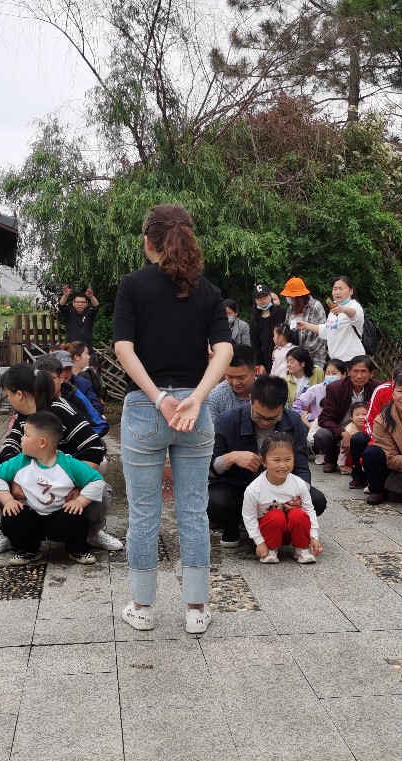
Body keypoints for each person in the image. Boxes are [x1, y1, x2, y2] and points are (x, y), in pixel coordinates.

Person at [113, 203, 234, 635]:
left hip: (146, 408)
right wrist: (197, 398)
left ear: (149, 240)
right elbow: (224, 350)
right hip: (194, 412)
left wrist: (160, 398)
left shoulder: (132, 285)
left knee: (144, 513)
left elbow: (123, 348)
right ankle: (196, 609)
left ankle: (142, 608)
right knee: (193, 511)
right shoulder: (208, 291)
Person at [0, 361, 120, 555]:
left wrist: (77, 485)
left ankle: (93, 531)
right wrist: (14, 481)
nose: (9, 399)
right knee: (0, 477)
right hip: (35, 475)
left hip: (66, 474)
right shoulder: (23, 415)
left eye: (8, 394)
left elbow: (94, 448)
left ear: (19, 394)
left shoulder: (61, 409)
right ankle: (8, 532)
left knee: (101, 490)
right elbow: (9, 447)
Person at [208, 375, 328, 547]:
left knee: (316, 500)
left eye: (273, 418)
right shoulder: (227, 420)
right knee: (214, 502)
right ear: (250, 399)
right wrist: (231, 457)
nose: (265, 422)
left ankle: (278, 524)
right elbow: (210, 470)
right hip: (237, 485)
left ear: (283, 406)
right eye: (259, 416)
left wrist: (298, 495)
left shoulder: (293, 421)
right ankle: (235, 522)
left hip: (280, 487)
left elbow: (301, 467)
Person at [0, 411, 104, 566]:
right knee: (11, 517)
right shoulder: (20, 461)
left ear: (42, 442)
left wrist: (80, 502)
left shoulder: (69, 464)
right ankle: (29, 549)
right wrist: (8, 500)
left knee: (75, 518)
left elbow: (97, 481)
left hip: (61, 515)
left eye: (26, 435)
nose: (21, 439)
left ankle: (76, 549)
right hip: (31, 515)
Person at [242, 433, 322, 565]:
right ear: (264, 461)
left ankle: (301, 548)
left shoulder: (299, 483)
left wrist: (314, 537)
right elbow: (249, 516)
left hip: (291, 530)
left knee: (299, 514)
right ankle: (271, 548)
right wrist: (259, 542)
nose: (283, 465)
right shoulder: (254, 489)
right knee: (275, 515)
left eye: (288, 459)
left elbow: (309, 510)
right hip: (269, 529)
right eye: (277, 460)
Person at [360, 371, 402, 506]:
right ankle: (379, 490)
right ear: (393, 394)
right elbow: (390, 459)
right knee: (371, 453)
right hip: (395, 465)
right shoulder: (382, 420)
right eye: (399, 391)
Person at [314, 355, 380, 472]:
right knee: (322, 434)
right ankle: (331, 459)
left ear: (372, 373)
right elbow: (324, 418)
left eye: (363, 371)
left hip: (366, 428)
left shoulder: (377, 388)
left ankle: (361, 464)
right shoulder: (335, 388)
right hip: (339, 428)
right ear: (348, 372)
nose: (359, 376)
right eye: (355, 371)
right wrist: (343, 433)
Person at [295, 275, 365, 362]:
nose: (337, 292)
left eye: (341, 289)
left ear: (351, 291)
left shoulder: (354, 305)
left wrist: (343, 309)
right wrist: (306, 325)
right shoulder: (334, 308)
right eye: (335, 289)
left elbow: (355, 314)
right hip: (335, 360)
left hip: (352, 359)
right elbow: (327, 329)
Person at [362, 361, 402, 444]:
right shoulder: (381, 391)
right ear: (393, 380)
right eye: (401, 380)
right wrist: (378, 439)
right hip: (382, 438)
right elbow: (370, 421)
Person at [46, 350, 108, 436]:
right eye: (61, 369)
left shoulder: (82, 385)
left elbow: (97, 410)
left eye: (68, 369)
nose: (64, 373)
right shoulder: (43, 390)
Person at [294, 359, 346, 460]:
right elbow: (296, 407)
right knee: (321, 434)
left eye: (334, 373)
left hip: (343, 426)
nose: (330, 376)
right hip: (319, 426)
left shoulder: (348, 390)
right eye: (328, 373)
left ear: (343, 375)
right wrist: (309, 425)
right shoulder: (315, 390)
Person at [279, 277, 328, 367]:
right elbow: (286, 331)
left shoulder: (315, 307)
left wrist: (303, 354)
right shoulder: (290, 309)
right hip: (295, 359)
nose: (289, 299)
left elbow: (321, 335)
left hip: (314, 358)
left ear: (299, 298)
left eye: (291, 297)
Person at [206, 344, 257, 426]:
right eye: (230, 377)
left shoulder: (268, 391)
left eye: (241, 377)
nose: (235, 383)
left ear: (255, 371)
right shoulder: (216, 396)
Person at [59, 341, 106, 418]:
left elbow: (97, 408)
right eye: (86, 354)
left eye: (68, 369)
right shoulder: (48, 385)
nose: (64, 373)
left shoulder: (84, 381)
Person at [249, 283, 286, 370]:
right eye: (259, 298)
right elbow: (255, 345)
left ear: (270, 297)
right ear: (255, 301)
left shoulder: (282, 312)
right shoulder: (254, 321)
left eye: (264, 296)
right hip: (267, 360)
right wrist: (259, 364)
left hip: (285, 356)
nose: (262, 300)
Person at [340, 402, 370, 475]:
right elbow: (343, 449)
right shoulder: (349, 429)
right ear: (351, 417)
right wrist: (341, 464)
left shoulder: (371, 426)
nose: (361, 417)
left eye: (364, 414)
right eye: (357, 415)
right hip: (353, 455)